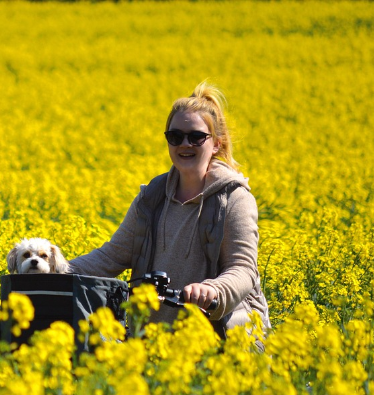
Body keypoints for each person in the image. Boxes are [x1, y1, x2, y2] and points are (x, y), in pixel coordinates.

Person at [68, 81, 270, 337]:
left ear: (216, 144)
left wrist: (213, 291)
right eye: (175, 137)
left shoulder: (233, 197)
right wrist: (53, 269)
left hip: (222, 342)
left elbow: (242, 268)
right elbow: (111, 257)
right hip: (155, 343)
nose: (185, 144)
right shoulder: (152, 196)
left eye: (196, 137)